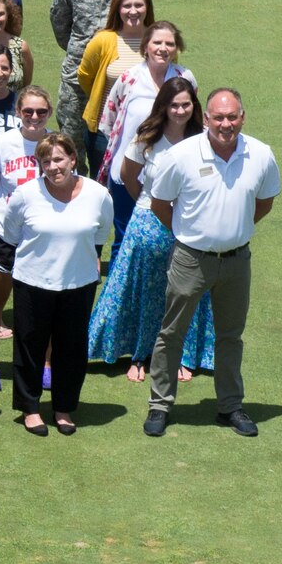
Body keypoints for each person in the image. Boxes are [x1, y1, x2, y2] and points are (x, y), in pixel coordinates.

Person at [143, 88, 279, 438]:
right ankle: (160, 405)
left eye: (232, 116)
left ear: (242, 117)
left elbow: (264, 202)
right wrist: (190, 234)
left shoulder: (261, 154)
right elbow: (160, 202)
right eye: (218, 117)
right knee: (172, 333)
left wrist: (235, 232)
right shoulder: (182, 155)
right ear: (206, 119)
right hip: (191, 259)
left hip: (236, 261)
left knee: (230, 336)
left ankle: (230, 405)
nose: (226, 124)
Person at [89, 79, 211, 383]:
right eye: (174, 104)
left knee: (189, 290)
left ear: (194, 106)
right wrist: (148, 204)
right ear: (164, 106)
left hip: (191, 223)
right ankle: (141, 354)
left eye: (186, 104)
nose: (180, 110)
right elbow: (128, 176)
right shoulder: (147, 137)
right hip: (148, 220)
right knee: (146, 289)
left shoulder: (204, 139)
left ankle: (184, 354)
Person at [0, 135, 114, 436]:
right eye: (46, 161)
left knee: (72, 348)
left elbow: (101, 233)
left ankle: (63, 408)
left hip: (79, 282)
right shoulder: (25, 194)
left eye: (59, 159)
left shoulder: (98, 194)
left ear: (73, 160)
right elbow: (10, 235)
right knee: (30, 345)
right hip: (32, 282)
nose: (52, 167)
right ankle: (31, 408)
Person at [0, 84, 52, 391]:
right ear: (18, 112)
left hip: (44, 239)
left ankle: (45, 364)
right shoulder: (2, 144)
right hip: (7, 236)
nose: (34, 117)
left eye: (41, 112)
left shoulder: (56, 144)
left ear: (49, 114)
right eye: (28, 111)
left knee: (45, 305)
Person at [50, 0, 143, 170]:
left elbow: (142, 22)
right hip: (77, 76)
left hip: (118, 75)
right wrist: (81, 50)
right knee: (71, 140)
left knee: (116, 140)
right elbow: (60, 21)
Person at [98, 22, 194, 237]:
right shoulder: (129, 78)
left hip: (169, 173)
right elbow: (109, 121)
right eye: (157, 42)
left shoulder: (185, 77)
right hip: (127, 170)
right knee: (124, 235)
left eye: (169, 43)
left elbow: (193, 120)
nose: (163, 48)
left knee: (167, 234)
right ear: (145, 46)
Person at [75, 0, 154, 176]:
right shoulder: (103, 40)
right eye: (127, 6)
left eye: (138, 5)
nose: (133, 11)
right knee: (103, 185)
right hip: (104, 131)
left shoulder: (158, 41)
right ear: (117, 9)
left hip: (147, 131)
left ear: (147, 8)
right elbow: (85, 76)